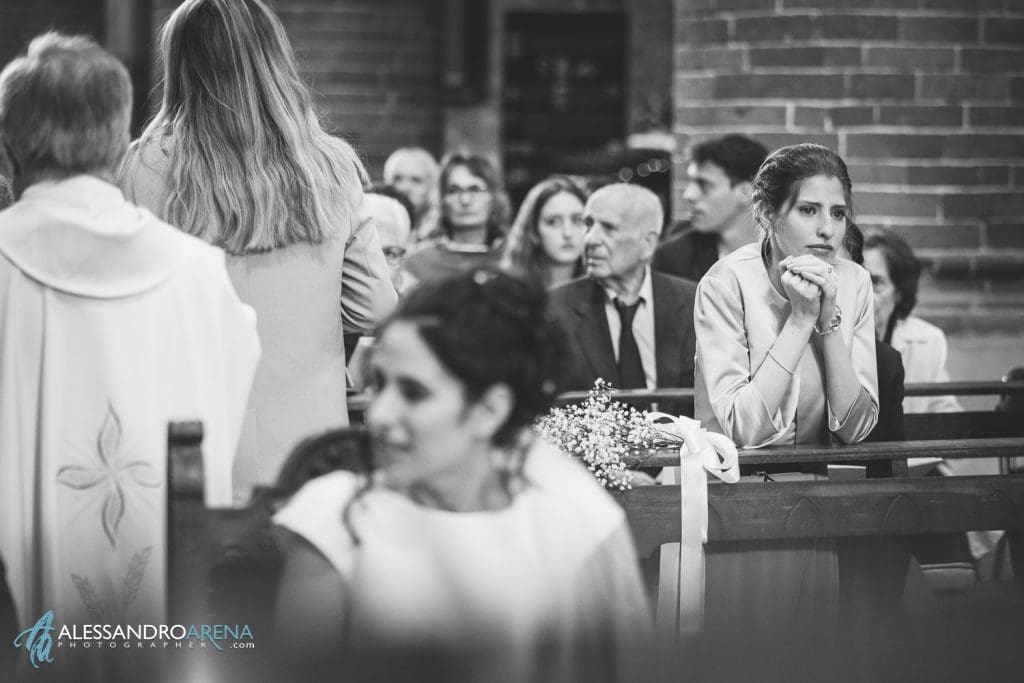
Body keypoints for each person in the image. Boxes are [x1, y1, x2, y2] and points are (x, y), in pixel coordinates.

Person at [273, 269, 651, 682]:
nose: (379, 414)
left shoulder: (574, 524)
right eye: (378, 384)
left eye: (414, 393)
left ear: (490, 410)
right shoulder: (333, 517)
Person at [0, 32, 259, 630]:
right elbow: (229, 383)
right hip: (164, 618)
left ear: (10, 142)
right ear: (119, 138)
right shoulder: (195, 272)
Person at [117, 0, 397, 502]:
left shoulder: (144, 168)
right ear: (273, 58)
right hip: (312, 450)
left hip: (194, 449)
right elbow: (374, 309)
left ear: (181, 66)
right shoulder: (331, 167)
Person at [694, 143, 878, 635]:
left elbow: (857, 427)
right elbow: (743, 428)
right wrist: (799, 320)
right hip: (740, 498)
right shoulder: (725, 283)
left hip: (821, 500)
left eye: (838, 213)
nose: (827, 230)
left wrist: (828, 320)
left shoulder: (855, 281)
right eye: (809, 210)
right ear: (768, 213)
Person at [548, 183, 697, 408]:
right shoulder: (553, 309)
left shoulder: (694, 302)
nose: (590, 240)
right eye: (587, 225)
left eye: (608, 228)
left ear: (647, 243)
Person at [862, 229, 961, 415]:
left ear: (899, 293)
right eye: (856, 280)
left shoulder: (926, 342)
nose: (862, 293)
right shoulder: (829, 337)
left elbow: (946, 415)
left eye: (875, 282)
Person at [652, 135, 767, 281]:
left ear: (745, 192)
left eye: (704, 184)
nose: (689, 195)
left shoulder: (786, 251)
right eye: (691, 183)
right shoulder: (675, 257)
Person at [402, 152, 511, 285]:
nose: (465, 200)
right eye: (454, 191)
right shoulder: (418, 263)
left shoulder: (512, 260)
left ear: (493, 197)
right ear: (442, 200)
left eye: (475, 189)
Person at [501, 175, 587, 288]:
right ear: (533, 231)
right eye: (553, 222)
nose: (568, 233)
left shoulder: (603, 294)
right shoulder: (508, 292)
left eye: (577, 220)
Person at [382, 146, 441, 242]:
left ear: (432, 187)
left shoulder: (441, 233)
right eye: (398, 179)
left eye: (416, 180)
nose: (405, 188)